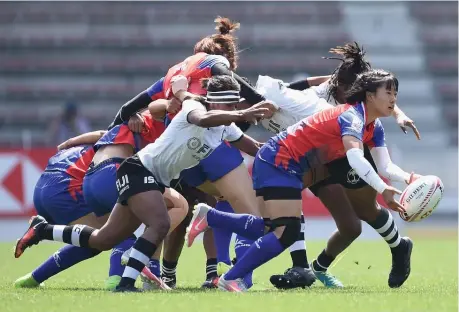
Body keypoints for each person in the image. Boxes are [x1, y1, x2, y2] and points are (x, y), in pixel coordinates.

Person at [14, 75, 271, 292]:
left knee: (104, 239)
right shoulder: (196, 107)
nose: (229, 112)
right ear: (213, 100)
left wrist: (286, 148)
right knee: (160, 223)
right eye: (226, 106)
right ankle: (126, 282)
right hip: (138, 170)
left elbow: (255, 148)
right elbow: (202, 120)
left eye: (232, 106)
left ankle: (43, 230)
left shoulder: (227, 127)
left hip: (148, 177)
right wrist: (243, 112)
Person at [187, 69, 414, 292]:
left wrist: (409, 178)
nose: (394, 99)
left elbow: (385, 166)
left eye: (396, 93)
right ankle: (232, 277)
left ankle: (212, 218)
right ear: (370, 96)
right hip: (279, 161)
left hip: (287, 162)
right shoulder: (351, 117)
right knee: (286, 231)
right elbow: (355, 157)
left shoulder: (373, 125)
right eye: (389, 93)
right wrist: (383, 188)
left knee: (270, 227)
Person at [14, 131, 106, 288]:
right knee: (112, 233)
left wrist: (69, 141)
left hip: (41, 189)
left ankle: (33, 279)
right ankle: (120, 283)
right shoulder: (123, 144)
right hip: (63, 192)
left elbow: (102, 133)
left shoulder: (83, 145)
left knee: (92, 241)